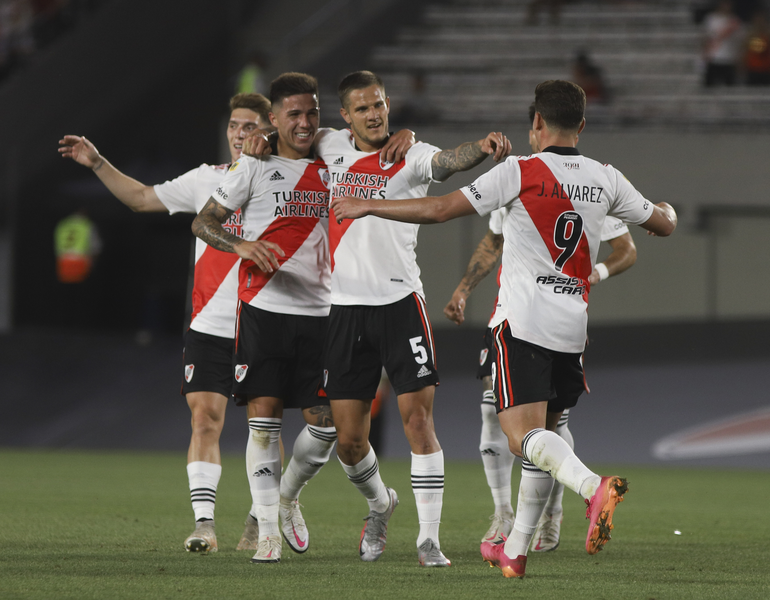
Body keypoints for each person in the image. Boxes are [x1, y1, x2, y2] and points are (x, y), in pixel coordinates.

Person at [331, 79, 677, 578]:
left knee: (520, 437)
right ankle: (516, 548)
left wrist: (369, 205)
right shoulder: (607, 178)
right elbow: (661, 225)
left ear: (536, 123)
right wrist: (665, 210)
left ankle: (590, 487)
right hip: (573, 325)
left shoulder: (519, 171)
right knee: (549, 432)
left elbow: (439, 208)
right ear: (581, 125)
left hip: (523, 322)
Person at [59, 93, 278, 555]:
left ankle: (263, 517)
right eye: (234, 125)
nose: (240, 133)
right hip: (210, 324)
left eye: (250, 126)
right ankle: (204, 525)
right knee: (204, 419)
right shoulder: (205, 180)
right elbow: (140, 198)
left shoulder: (288, 182)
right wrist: (98, 163)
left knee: (267, 429)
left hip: (269, 320)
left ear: (269, 129)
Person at [314, 70, 510, 568]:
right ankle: (381, 505)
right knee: (349, 442)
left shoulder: (409, 155)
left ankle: (428, 539)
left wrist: (483, 148)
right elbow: (290, 133)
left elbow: (449, 160)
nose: (375, 113)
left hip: (402, 305)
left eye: (379, 104)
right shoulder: (328, 145)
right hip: (345, 309)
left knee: (418, 422)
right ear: (346, 116)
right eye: (363, 108)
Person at [445, 105, 637, 553]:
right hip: (531, 316)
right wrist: (463, 289)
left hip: (531, 319)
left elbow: (625, 249)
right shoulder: (589, 178)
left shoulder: (559, 180)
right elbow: (494, 239)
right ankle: (508, 520)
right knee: (499, 411)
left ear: (537, 125)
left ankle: (557, 508)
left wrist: (596, 274)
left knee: (539, 425)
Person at [190, 72, 340, 565]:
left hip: (320, 312)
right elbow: (203, 221)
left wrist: (400, 137)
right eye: (293, 114)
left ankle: (286, 497)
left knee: (327, 425)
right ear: (274, 119)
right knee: (264, 427)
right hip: (263, 312)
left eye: (311, 112)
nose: (304, 122)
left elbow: (374, 142)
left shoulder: (332, 161)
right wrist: (243, 245)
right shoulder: (252, 166)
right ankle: (268, 532)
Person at [54, 208, 101, 283]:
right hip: (81, 261)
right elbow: (96, 247)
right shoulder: (87, 224)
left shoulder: (62, 224)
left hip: (63, 262)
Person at [703, 0, 744, 86]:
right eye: (724, 3)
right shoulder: (711, 19)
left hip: (729, 59)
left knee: (730, 89)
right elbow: (707, 38)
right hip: (714, 57)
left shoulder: (735, 21)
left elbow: (739, 41)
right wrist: (705, 55)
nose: (726, 6)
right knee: (709, 87)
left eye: (728, 4)